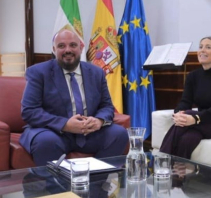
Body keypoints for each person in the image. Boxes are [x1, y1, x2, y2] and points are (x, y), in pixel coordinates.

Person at [19, 28, 129, 166]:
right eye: (61, 46)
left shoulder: (96, 73)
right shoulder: (38, 72)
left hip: (88, 132)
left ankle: (96, 178)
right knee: (46, 141)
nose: (68, 50)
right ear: (54, 49)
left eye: (73, 45)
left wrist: (99, 120)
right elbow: (29, 111)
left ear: (81, 47)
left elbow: (106, 106)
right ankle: (57, 181)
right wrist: (65, 124)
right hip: (53, 132)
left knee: (119, 134)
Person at [160, 37, 211, 159]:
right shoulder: (192, 76)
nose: (202, 50)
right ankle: (180, 169)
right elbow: (185, 101)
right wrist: (179, 113)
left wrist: (195, 118)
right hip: (202, 121)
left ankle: (161, 160)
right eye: (200, 47)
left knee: (188, 115)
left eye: (208, 47)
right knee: (189, 138)